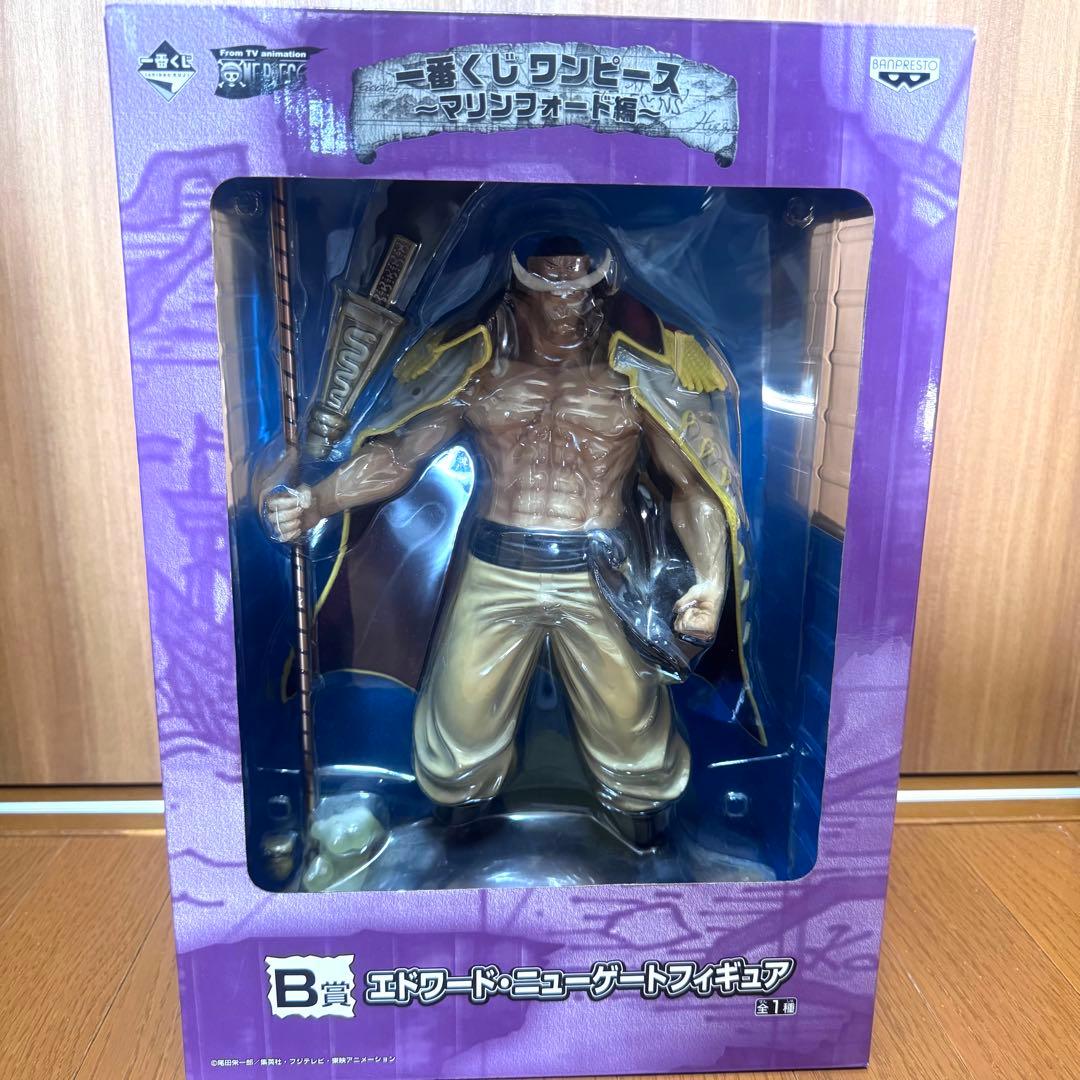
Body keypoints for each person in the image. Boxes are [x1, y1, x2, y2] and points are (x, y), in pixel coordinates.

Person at [265, 236, 759, 848]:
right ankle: (456, 842)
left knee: (632, 728)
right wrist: (318, 500)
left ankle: (648, 843)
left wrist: (710, 581)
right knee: (460, 727)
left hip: (599, 573)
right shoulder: (478, 377)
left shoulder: (634, 386)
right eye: (550, 283)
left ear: (599, 289)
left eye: (578, 284)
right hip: (497, 565)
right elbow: (400, 456)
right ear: (519, 289)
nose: (565, 301)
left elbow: (691, 487)